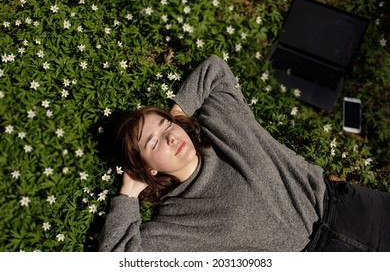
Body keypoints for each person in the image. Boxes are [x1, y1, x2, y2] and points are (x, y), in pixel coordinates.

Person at [98, 55, 390, 252]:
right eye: (154, 143)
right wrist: (127, 197)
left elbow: (215, 69)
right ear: (150, 169)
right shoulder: (177, 222)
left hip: (349, 207)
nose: (170, 137)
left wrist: (179, 111)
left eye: (165, 126)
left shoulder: (220, 124)